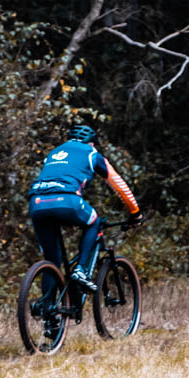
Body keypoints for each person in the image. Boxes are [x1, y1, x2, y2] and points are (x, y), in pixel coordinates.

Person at [27, 124, 140, 294]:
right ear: (92, 143)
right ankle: (80, 270)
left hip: (36, 203)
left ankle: (47, 309)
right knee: (94, 222)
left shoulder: (53, 153)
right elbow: (119, 185)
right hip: (67, 199)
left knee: (52, 260)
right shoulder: (91, 153)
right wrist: (135, 213)